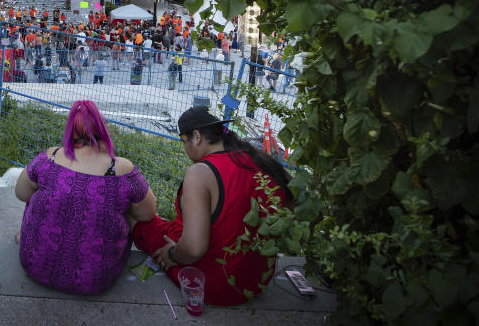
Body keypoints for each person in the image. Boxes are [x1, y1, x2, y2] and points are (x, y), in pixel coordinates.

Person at [131, 106, 292, 306]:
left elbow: (193, 248)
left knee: (140, 223)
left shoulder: (201, 172)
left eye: (184, 142)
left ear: (197, 136)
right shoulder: (263, 162)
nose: (185, 149)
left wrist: (171, 254)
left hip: (212, 283)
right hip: (257, 281)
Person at [16, 100, 157, 294]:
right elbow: (148, 214)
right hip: (93, 280)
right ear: (104, 131)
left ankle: (30, 240)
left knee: (41, 195)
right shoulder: (120, 169)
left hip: (34, 266)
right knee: (125, 209)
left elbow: (21, 193)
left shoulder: (50, 157)